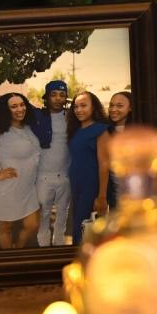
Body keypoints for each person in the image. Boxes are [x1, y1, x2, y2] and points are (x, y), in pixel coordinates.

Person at [0, 93, 41, 249]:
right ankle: (7, 259)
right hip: (7, 188)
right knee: (6, 228)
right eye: (14, 106)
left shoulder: (28, 128)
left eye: (22, 104)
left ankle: (17, 250)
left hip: (28, 188)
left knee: (32, 226)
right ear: (6, 110)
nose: (20, 109)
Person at [29, 80, 70, 247]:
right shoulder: (38, 116)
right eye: (53, 95)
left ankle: (59, 244)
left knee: (63, 213)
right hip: (43, 175)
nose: (58, 99)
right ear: (46, 97)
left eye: (62, 95)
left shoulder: (72, 116)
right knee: (43, 213)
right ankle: (43, 246)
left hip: (66, 174)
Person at [67, 91, 111, 244]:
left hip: (91, 187)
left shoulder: (101, 130)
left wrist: (102, 197)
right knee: (79, 228)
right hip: (76, 186)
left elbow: (105, 164)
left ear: (94, 108)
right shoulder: (76, 130)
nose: (79, 110)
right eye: (76, 107)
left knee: (85, 231)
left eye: (83, 106)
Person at [105, 90, 133, 209]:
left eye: (120, 106)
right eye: (111, 105)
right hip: (114, 194)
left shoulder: (137, 131)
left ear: (130, 108)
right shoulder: (105, 131)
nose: (113, 109)